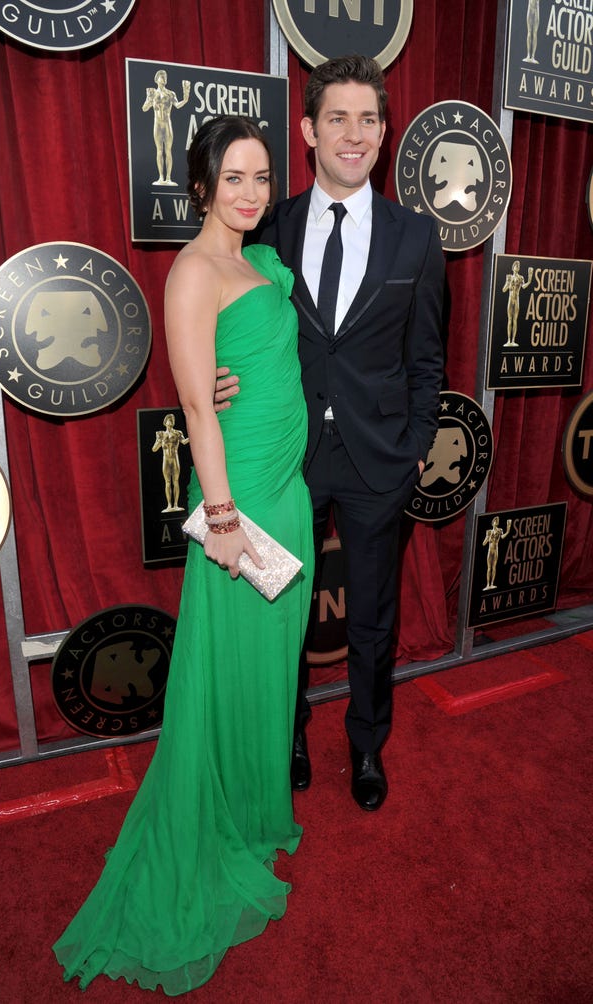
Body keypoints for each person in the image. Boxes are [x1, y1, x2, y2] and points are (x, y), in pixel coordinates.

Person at [53, 115, 314, 994]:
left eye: (261, 177)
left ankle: (252, 809)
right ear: (200, 185)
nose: (250, 193)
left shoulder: (260, 263)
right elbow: (200, 409)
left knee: (272, 672)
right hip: (243, 499)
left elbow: (244, 370)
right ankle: (216, 822)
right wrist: (223, 513)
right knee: (227, 667)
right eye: (233, 178)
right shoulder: (194, 272)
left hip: (289, 489)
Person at [216, 55, 445, 812]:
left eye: (370, 119)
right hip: (287, 456)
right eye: (338, 118)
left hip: (381, 462)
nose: (355, 135)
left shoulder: (417, 238)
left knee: (375, 617)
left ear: (385, 130)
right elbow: (232, 320)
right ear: (309, 129)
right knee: (281, 606)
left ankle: (367, 743)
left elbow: (427, 356)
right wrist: (215, 379)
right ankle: (288, 735)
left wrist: (414, 446)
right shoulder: (269, 224)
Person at [142, 69, 191, 186]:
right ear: (156, 79)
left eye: (164, 77)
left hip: (167, 124)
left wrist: (186, 98)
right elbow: (144, 108)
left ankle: (168, 178)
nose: (163, 78)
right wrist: (149, 99)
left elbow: (178, 105)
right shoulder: (152, 93)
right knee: (159, 151)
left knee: (168, 151)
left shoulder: (170, 93)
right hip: (157, 124)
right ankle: (160, 177)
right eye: (161, 76)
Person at [152, 412, 189, 512]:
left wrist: (193, 434)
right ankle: (169, 505)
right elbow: (154, 449)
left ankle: (176, 504)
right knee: (167, 482)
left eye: (172, 420)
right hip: (166, 459)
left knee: (176, 481)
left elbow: (184, 442)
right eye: (169, 420)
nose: (171, 422)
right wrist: (158, 441)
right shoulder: (160, 434)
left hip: (175, 458)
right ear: (165, 422)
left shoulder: (178, 433)